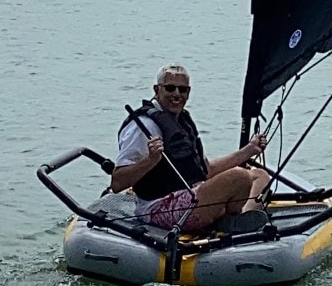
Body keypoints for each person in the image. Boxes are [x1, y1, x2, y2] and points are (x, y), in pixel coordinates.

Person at [111, 63, 269, 234]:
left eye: (182, 90)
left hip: (192, 193)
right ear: (157, 90)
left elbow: (206, 170)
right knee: (239, 177)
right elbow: (118, 183)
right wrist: (151, 160)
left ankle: (239, 219)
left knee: (259, 176)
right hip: (160, 207)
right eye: (170, 88)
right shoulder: (143, 127)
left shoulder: (181, 120)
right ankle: (230, 220)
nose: (176, 94)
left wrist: (249, 150)